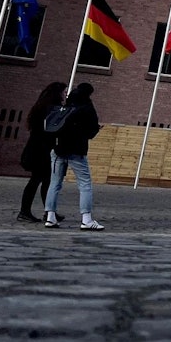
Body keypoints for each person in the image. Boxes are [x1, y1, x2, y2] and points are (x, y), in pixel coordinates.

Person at [43, 82, 104, 231]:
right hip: (77, 150)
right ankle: (86, 219)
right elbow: (91, 131)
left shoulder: (67, 105)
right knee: (85, 184)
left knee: (54, 183)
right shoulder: (87, 108)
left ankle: (50, 216)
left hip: (59, 149)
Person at [17, 82, 67, 223]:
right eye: (64, 92)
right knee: (39, 181)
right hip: (42, 150)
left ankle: (48, 211)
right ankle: (28, 211)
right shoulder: (51, 109)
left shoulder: (40, 107)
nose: (65, 95)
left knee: (44, 181)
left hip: (36, 148)